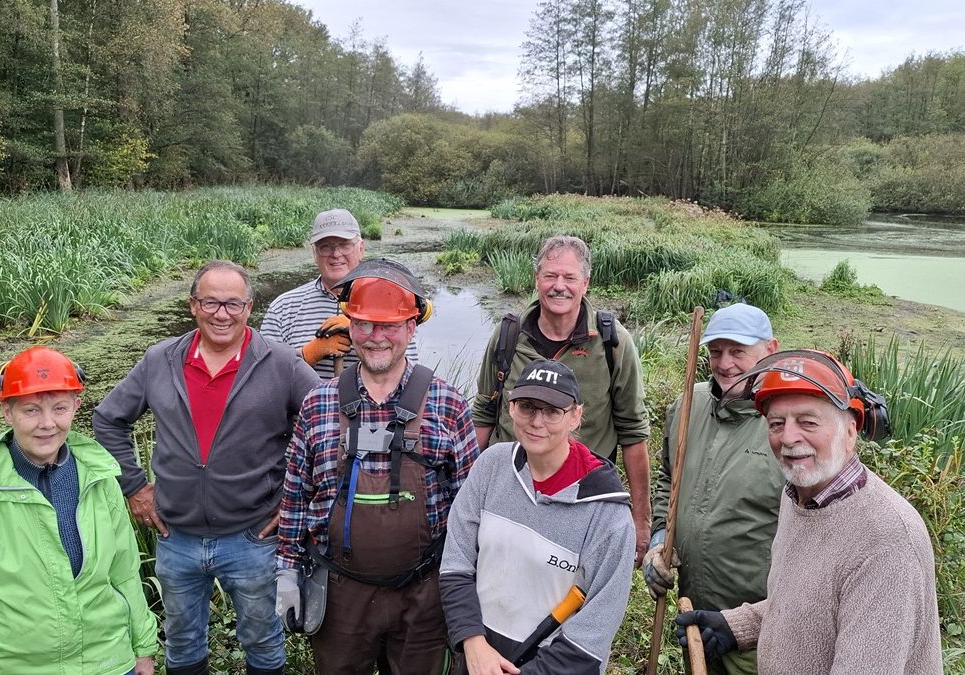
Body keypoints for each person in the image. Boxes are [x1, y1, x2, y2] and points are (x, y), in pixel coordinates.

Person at [93, 260, 319, 675]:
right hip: (175, 537)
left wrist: (296, 502)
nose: (222, 314)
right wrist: (135, 487)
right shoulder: (160, 359)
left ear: (250, 308)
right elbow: (108, 419)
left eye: (233, 304)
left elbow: (327, 425)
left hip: (252, 538)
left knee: (262, 637)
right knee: (181, 640)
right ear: (193, 306)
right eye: (210, 302)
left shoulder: (282, 363)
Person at [675, 350, 940, 674]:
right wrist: (736, 625)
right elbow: (805, 601)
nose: (788, 438)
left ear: (850, 431)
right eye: (776, 423)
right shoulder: (799, 497)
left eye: (808, 422)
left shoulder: (885, 541)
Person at [275, 258, 479, 675]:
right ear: (349, 325)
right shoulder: (318, 404)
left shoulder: (447, 403)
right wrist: (287, 570)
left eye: (389, 325)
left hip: (423, 596)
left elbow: (468, 510)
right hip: (339, 595)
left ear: (411, 328)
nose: (376, 337)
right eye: (365, 324)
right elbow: (296, 495)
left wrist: (468, 589)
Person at [0, 346, 158, 674]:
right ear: (7, 411)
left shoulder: (99, 476)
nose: (47, 424)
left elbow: (125, 571)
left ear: (77, 405)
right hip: (14, 667)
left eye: (60, 408)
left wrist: (142, 647)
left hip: (108, 662)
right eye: (31, 410)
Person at [441, 359, 635, 675]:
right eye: (527, 407)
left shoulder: (607, 513)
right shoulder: (491, 466)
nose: (537, 421)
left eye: (552, 411)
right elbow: (456, 562)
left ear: (575, 416)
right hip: (477, 659)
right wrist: (473, 643)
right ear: (511, 408)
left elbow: (594, 631)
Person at [471, 235, 652, 561]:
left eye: (569, 277)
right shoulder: (508, 336)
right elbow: (484, 412)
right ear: (536, 279)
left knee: (570, 590)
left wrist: (641, 519)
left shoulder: (613, 343)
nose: (559, 286)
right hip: (510, 490)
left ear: (586, 282)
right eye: (550, 276)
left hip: (582, 499)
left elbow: (633, 431)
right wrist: (468, 491)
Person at [643, 303, 783, 674]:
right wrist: (659, 539)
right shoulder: (689, 404)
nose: (724, 364)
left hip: (763, 631)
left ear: (770, 350)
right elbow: (667, 480)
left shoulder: (786, 423)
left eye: (738, 351)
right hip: (697, 617)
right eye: (715, 351)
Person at [260, 207, 418, 379]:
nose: (336, 254)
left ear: (361, 248)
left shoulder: (391, 301)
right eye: (325, 247)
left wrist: (362, 328)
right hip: (304, 405)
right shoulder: (283, 308)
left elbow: (410, 376)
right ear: (314, 253)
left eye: (344, 245)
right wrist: (307, 355)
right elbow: (264, 377)